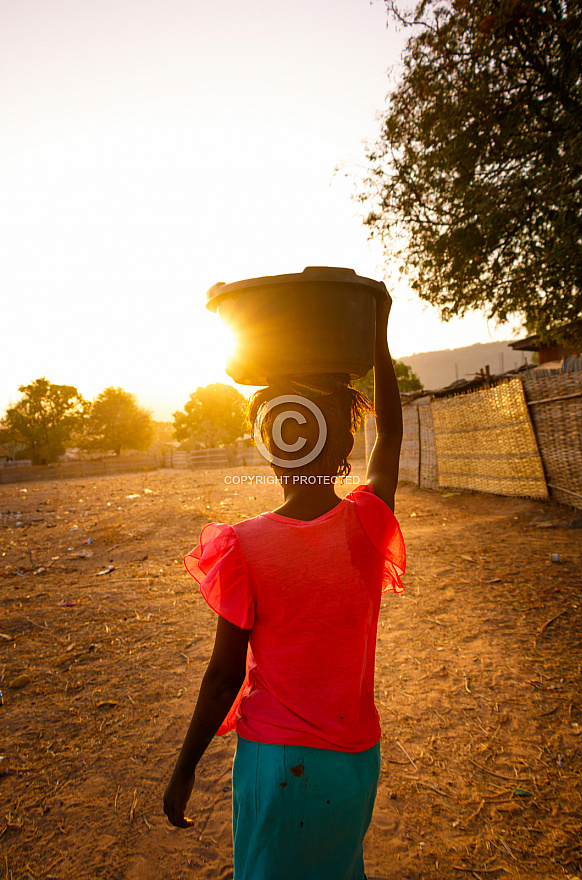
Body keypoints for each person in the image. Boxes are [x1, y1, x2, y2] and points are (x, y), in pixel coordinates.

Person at [164, 291, 405, 880]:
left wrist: (185, 766)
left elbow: (224, 675)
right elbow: (392, 437)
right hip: (353, 759)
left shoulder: (243, 546)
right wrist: (378, 333)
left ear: (268, 446)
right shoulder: (367, 523)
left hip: (276, 763)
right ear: (346, 445)